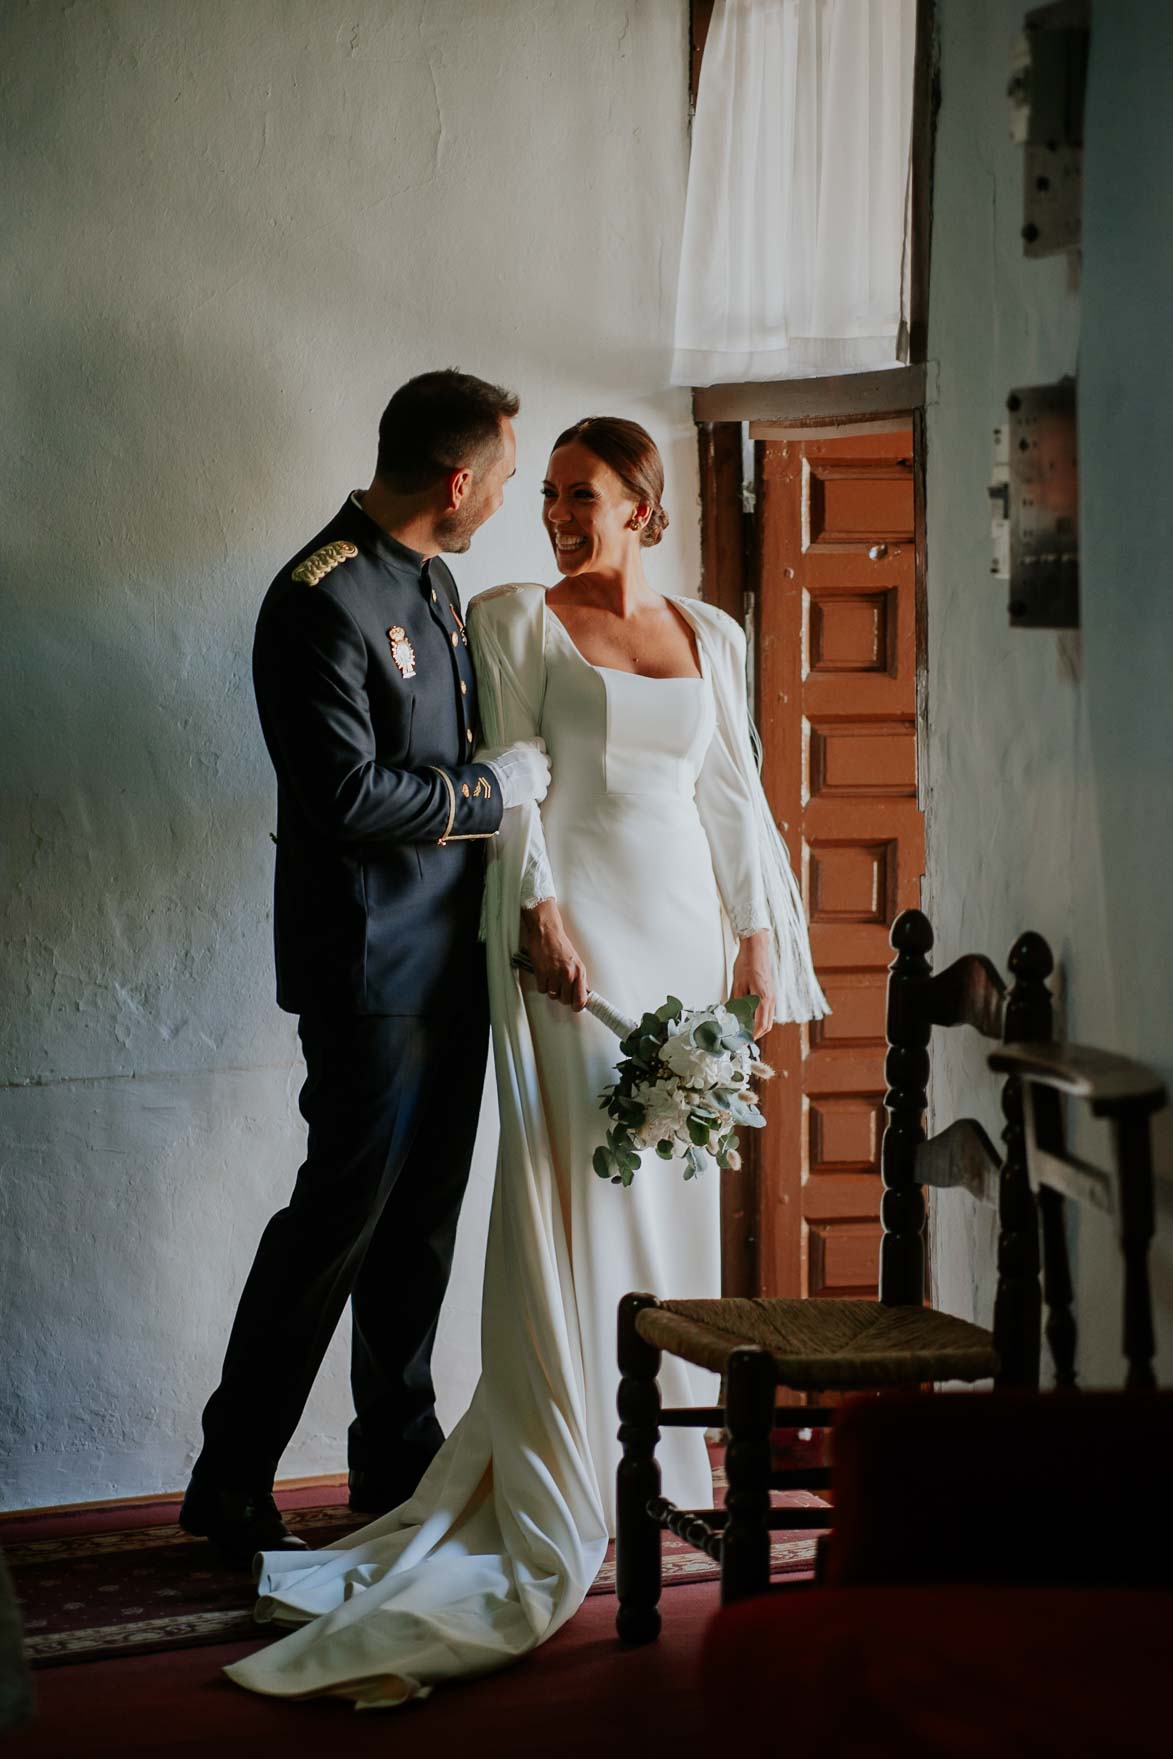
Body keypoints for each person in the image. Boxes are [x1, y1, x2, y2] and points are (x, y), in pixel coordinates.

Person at [223, 417, 827, 1707]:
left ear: (645, 509)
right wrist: (541, 910)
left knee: (663, 1192)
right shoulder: (505, 616)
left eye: (581, 495)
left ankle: (660, 1459)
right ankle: (556, 1456)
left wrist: (758, 942)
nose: (553, 512)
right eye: (540, 490)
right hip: (575, 955)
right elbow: (520, 791)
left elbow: (733, 797)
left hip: (680, 945)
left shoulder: (711, 636)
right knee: (560, 1192)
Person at [179, 370, 552, 1567]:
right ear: (457, 481)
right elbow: (342, 795)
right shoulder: (318, 600)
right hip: (367, 967)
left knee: (422, 1232)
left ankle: (396, 1458)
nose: (500, 502)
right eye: (499, 481)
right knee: (335, 1222)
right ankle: (231, 1478)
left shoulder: (435, 583)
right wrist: (491, 797)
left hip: (451, 960)